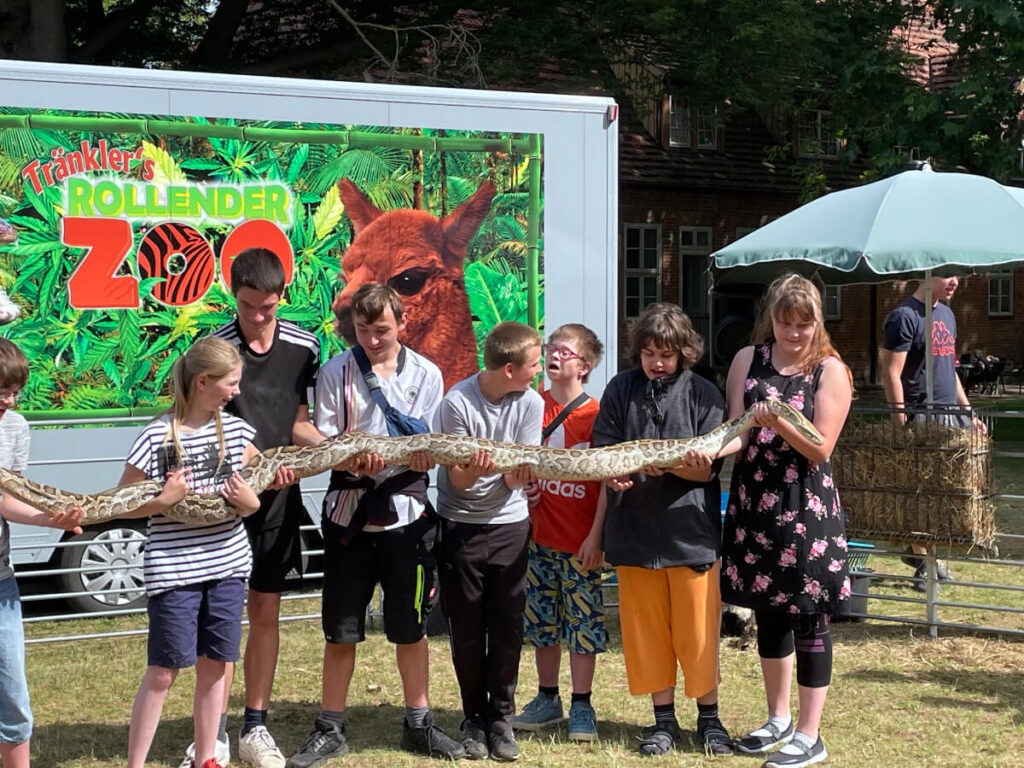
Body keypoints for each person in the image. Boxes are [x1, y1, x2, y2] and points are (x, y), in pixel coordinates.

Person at [286, 282, 464, 767]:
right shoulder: (335, 371)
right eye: (363, 330)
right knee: (340, 630)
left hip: (406, 516)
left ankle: (419, 722)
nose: (372, 339)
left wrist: (425, 453)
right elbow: (319, 438)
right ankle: (330, 726)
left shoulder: (427, 374)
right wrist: (344, 451)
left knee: (411, 628)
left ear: (402, 324)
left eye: (381, 329)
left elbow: (432, 442)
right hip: (348, 513)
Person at [717, 274, 853, 768]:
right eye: (784, 322)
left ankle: (810, 734)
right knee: (768, 611)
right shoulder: (747, 360)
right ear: (770, 318)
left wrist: (779, 422)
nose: (793, 333)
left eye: (804, 324)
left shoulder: (830, 370)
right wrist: (704, 450)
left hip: (804, 505)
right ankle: (777, 719)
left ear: (818, 321)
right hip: (755, 501)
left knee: (808, 614)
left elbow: (821, 446)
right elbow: (736, 433)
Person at [195, 247, 321, 768]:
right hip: (221, 505)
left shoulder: (305, 347)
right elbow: (196, 422)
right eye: (249, 307)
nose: (258, 318)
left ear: (281, 297)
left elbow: (299, 423)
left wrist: (329, 449)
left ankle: (255, 727)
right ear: (234, 296)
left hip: (277, 504)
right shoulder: (211, 349)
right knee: (219, 617)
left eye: (267, 307)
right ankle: (213, 736)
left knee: (265, 610)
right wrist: (245, 460)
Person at [590, 302, 733, 758]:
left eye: (666, 355)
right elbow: (604, 452)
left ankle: (710, 720)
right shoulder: (620, 389)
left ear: (684, 353)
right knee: (646, 632)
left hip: (690, 534)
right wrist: (612, 472)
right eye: (649, 352)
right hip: (633, 533)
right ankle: (663, 723)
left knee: (698, 634)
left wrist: (680, 465)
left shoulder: (704, 394)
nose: (657, 362)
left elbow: (708, 472)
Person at [122, 337, 262, 768]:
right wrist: (164, 500)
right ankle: (135, 764)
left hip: (227, 565)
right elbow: (123, 500)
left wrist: (252, 501)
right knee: (164, 671)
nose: (236, 391)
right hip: (174, 570)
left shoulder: (236, 432)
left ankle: (207, 758)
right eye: (231, 383)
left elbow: (262, 482)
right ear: (203, 381)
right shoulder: (157, 435)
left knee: (216, 664)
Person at [436, 321, 544, 763]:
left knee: (507, 626)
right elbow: (458, 480)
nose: (538, 372)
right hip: (460, 525)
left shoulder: (531, 402)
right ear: (508, 368)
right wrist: (482, 468)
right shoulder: (457, 402)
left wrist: (517, 475)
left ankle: (501, 720)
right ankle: (472, 719)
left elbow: (524, 470)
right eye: (533, 365)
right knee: (465, 629)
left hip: (510, 527)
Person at [513, 324, 608, 742]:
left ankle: (582, 705)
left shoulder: (596, 415)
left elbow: (607, 480)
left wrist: (597, 537)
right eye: (550, 348)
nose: (553, 355)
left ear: (584, 366)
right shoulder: (532, 404)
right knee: (542, 625)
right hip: (539, 541)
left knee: (583, 627)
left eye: (564, 352)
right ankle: (547, 697)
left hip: (581, 544)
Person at [0, 339, 83, 768]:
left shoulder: (15, 427)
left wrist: (50, 519)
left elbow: (7, 496)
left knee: (13, 700)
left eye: (14, 393)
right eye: (2, 394)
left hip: (0, 581)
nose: (9, 402)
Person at [880, 276, 983, 591]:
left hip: (948, 415)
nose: (955, 281)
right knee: (920, 495)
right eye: (947, 274)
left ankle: (928, 556)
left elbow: (949, 370)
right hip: (920, 417)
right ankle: (923, 562)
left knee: (943, 496)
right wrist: (901, 422)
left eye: (957, 275)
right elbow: (890, 372)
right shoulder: (904, 317)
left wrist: (967, 412)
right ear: (926, 274)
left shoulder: (948, 314)